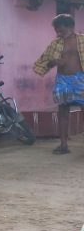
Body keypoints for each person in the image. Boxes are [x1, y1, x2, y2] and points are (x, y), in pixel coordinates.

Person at [33, 14, 84, 155]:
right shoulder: (55, 44)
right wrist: (54, 62)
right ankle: (63, 145)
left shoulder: (82, 40)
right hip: (62, 81)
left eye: (60, 29)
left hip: (81, 80)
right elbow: (45, 62)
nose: (57, 32)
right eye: (56, 29)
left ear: (70, 27)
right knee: (63, 113)